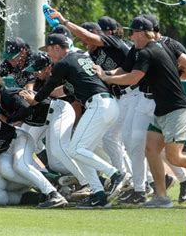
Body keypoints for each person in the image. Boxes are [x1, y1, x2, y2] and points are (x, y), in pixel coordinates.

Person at [94, 16, 186, 208]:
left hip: (177, 110)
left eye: (133, 32)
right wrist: (108, 74)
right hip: (163, 109)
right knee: (151, 150)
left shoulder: (149, 52)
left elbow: (133, 78)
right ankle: (161, 197)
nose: (131, 36)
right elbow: (129, 72)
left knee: (174, 157)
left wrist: (106, 77)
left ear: (141, 34)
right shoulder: (151, 49)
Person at [19, 33, 128, 209]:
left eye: (49, 50)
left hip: (99, 105)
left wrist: (35, 100)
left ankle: (115, 174)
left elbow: (49, 86)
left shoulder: (63, 62)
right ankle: (98, 194)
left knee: (75, 149)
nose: (48, 55)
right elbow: (66, 89)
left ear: (56, 47)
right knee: (80, 151)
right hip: (108, 104)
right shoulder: (80, 58)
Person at [0, 74, 71, 209]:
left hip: (19, 138)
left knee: (21, 165)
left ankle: (54, 192)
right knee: (7, 170)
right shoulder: (2, 103)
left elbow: (26, 108)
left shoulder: (7, 95)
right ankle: (52, 183)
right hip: (11, 145)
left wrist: (8, 120)